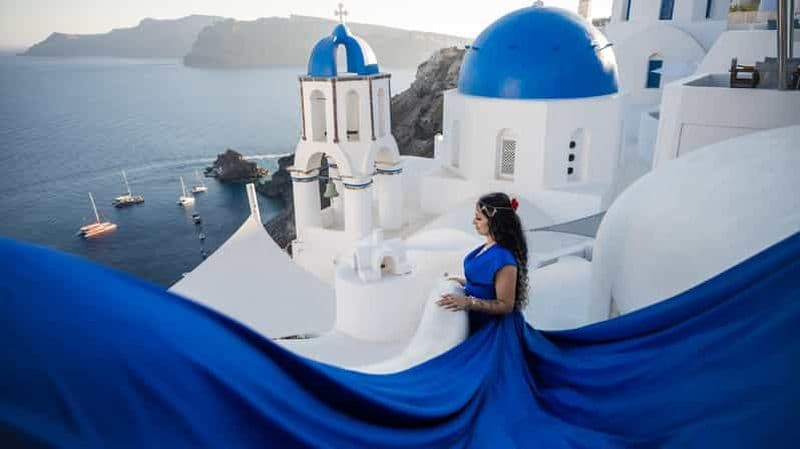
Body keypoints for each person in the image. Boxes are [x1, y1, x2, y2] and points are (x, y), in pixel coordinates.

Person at [437, 192, 529, 332]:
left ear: (495, 222)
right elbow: (487, 285)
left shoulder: (504, 259)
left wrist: (468, 302)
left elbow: (506, 305)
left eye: (478, 218)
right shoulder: (489, 246)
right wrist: (464, 282)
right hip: (476, 318)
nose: (473, 222)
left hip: (493, 328)